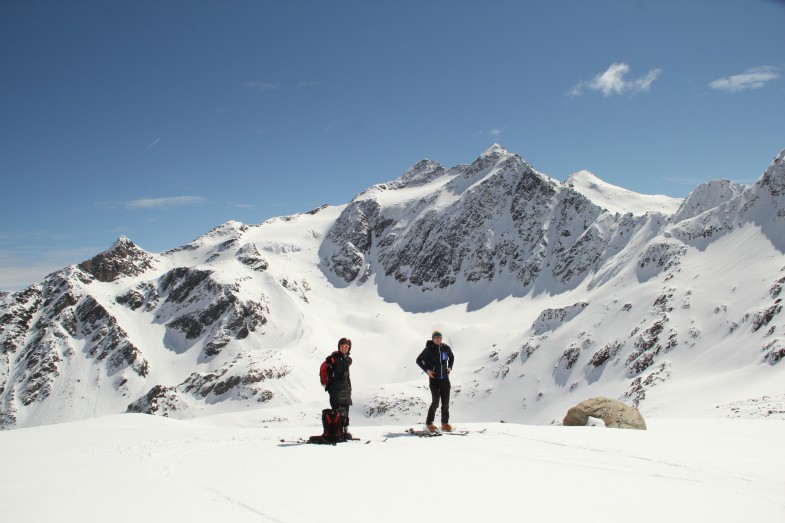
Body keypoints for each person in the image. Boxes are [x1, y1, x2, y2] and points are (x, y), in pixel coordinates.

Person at [415, 330, 455, 432]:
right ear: (433, 339)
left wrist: (450, 367)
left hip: (445, 379)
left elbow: (452, 357)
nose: (438, 339)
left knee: (445, 403)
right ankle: (429, 424)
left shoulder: (445, 348)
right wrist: (427, 370)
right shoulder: (429, 349)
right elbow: (418, 360)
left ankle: (444, 424)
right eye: (436, 337)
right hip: (434, 380)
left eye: (440, 337)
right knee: (436, 402)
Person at [321, 337, 353, 439]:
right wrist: (330, 387)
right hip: (335, 389)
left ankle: (344, 431)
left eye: (346, 346)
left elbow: (347, 375)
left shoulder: (347, 359)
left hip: (346, 389)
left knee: (346, 411)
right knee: (337, 411)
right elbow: (329, 375)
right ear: (339, 347)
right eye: (342, 346)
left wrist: (349, 388)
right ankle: (336, 431)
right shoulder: (332, 359)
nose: (344, 348)